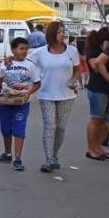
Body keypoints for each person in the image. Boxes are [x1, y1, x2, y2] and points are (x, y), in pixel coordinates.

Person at [28, 21, 81, 173]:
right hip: (46, 94)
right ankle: (49, 159)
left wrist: (73, 80)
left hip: (67, 95)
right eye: (60, 32)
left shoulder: (72, 51)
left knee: (61, 127)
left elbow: (78, 69)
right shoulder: (39, 52)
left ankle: (55, 155)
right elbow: (27, 64)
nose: (63, 34)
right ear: (52, 34)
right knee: (50, 126)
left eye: (64, 31)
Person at [0, 38, 41, 171]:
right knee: (5, 129)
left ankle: (17, 159)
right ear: (13, 50)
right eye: (21, 48)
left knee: (19, 130)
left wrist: (29, 93)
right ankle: (8, 153)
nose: (24, 51)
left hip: (22, 103)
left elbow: (37, 83)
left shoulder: (30, 66)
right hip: (5, 101)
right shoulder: (6, 63)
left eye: (26, 49)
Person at [84, 28, 109, 160]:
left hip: (107, 90)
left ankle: (98, 147)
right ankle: (91, 149)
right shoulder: (94, 50)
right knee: (95, 119)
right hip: (98, 89)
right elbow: (96, 65)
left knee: (102, 121)